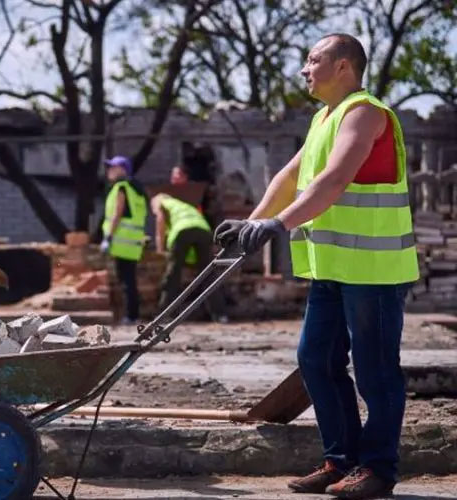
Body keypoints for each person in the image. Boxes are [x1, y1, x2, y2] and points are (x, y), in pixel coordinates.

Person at [215, 34, 418, 500]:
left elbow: (334, 178)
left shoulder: (365, 112)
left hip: (374, 271)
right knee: (316, 361)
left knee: (376, 371)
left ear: (344, 66)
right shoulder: (324, 118)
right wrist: (250, 224)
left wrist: (277, 225)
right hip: (332, 268)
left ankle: (378, 469)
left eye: (313, 60)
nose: (305, 69)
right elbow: (290, 176)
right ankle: (341, 461)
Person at [152, 162, 226, 322]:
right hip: (203, 229)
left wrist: (159, 246)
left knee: (173, 273)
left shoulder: (159, 199)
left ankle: (164, 314)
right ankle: (220, 315)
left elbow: (160, 220)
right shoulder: (186, 204)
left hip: (182, 231)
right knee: (208, 272)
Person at [100, 156, 147, 324]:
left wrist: (108, 237)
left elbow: (117, 214)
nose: (109, 171)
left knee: (126, 280)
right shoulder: (137, 190)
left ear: (123, 170)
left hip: (121, 242)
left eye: (113, 167)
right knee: (129, 279)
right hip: (133, 242)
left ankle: (131, 316)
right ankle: (131, 315)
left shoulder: (121, 187)